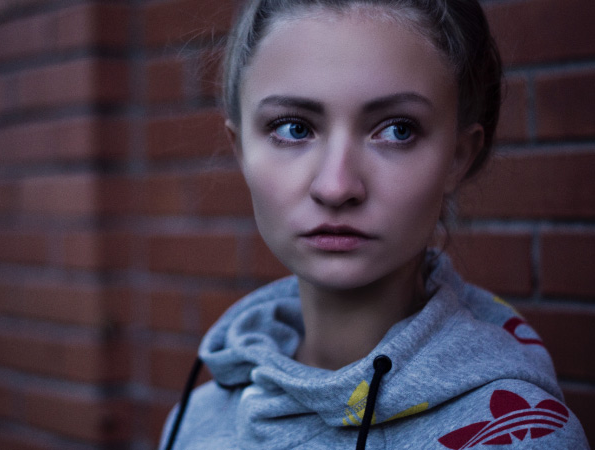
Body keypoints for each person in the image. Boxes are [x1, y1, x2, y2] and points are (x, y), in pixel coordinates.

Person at [160, 0, 590, 449]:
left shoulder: (522, 435)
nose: (336, 186)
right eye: (293, 128)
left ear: (458, 156)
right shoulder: (194, 422)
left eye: (397, 130)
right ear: (240, 149)